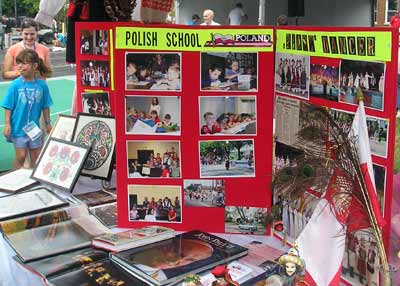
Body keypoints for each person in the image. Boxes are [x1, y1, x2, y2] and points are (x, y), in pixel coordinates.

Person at [1, 49, 53, 169]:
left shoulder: (42, 85)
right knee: (21, 156)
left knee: (36, 155)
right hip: (18, 127)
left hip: (34, 128)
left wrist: (48, 123)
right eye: (18, 63)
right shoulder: (15, 85)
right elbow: (8, 106)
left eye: (24, 63)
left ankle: (35, 178)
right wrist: (7, 124)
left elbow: (46, 106)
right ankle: (15, 178)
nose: (20, 66)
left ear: (34, 65)